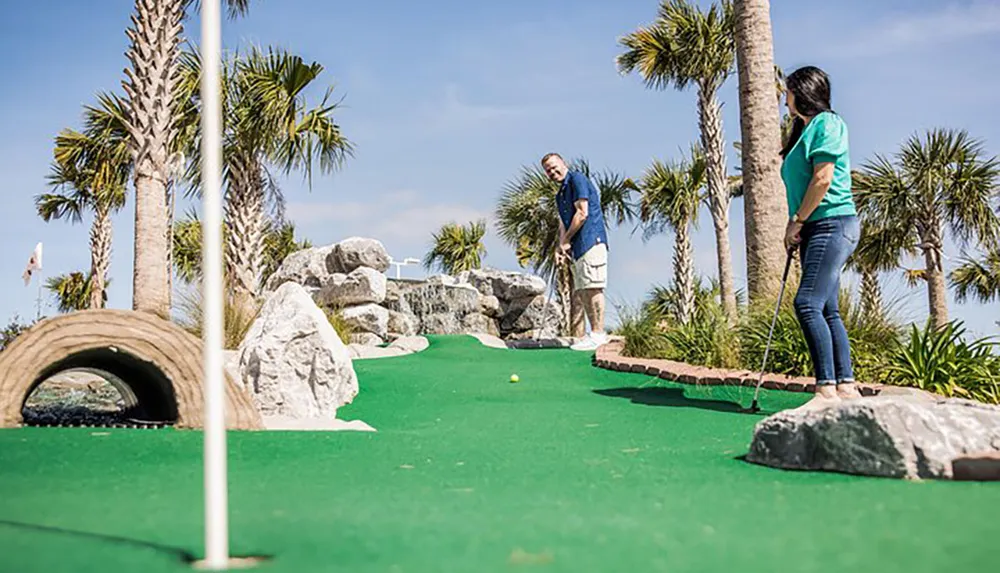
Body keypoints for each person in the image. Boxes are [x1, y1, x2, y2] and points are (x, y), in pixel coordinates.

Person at [779, 65, 862, 408]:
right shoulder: (804, 129)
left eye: (788, 92)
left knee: (806, 303)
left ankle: (825, 389)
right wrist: (799, 223)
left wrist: (797, 220)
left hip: (832, 222)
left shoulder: (828, 123)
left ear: (802, 92)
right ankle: (846, 387)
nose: (785, 99)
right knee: (827, 309)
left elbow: (823, 179)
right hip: (817, 225)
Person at [541, 152, 609, 351]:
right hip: (578, 247)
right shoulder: (559, 194)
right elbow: (563, 223)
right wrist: (560, 246)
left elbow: (582, 213)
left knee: (594, 286)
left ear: (564, 163)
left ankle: (599, 333)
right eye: (548, 170)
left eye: (555, 166)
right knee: (583, 289)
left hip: (591, 241)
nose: (553, 172)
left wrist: (567, 240)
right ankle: (594, 333)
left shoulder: (577, 179)